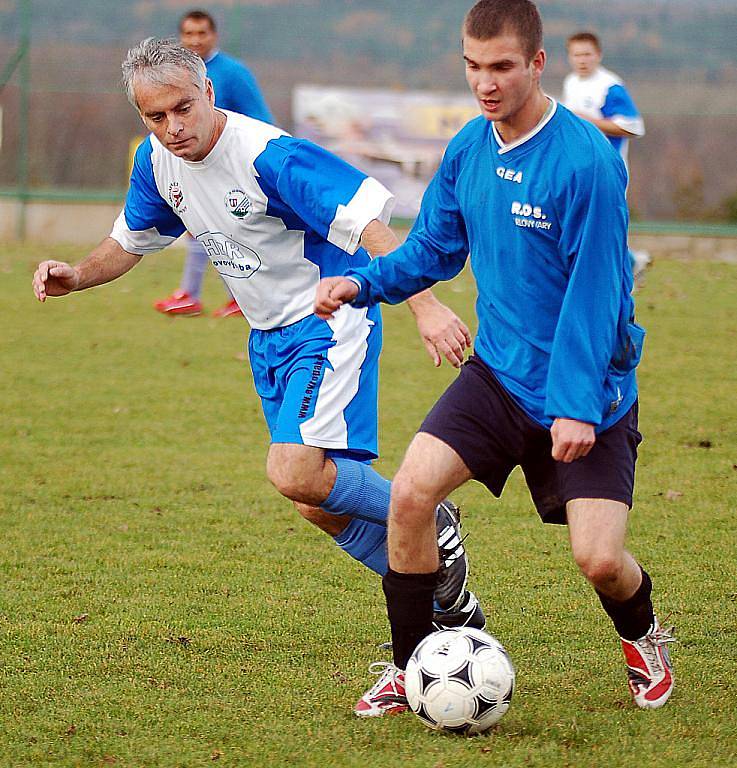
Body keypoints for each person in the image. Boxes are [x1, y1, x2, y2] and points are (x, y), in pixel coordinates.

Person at [31, 37, 486, 697]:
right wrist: (75, 274)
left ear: (210, 91)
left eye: (182, 108)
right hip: (268, 337)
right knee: (316, 501)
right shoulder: (157, 162)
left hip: (329, 319)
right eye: (154, 117)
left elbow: (371, 229)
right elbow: (127, 242)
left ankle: (426, 522)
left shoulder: (270, 156)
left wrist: (424, 307)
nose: (172, 128)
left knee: (294, 470)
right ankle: (445, 601)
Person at [316, 0, 674, 717]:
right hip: (497, 376)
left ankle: (642, 636)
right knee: (411, 498)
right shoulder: (468, 148)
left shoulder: (587, 163)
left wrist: (574, 403)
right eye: (473, 67)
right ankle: (411, 663)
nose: (485, 83)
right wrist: (364, 282)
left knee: (598, 560)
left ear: (536, 64)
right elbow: (434, 248)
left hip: (588, 395)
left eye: (502, 66)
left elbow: (598, 295)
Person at [154, 9, 274, 318]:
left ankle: (221, 295)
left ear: (214, 36)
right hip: (192, 163)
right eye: (189, 34)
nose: (195, 40)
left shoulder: (232, 73)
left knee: (223, 226)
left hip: (231, 166)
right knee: (202, 225)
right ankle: (213, 296)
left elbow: (260, 119)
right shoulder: (176, 74)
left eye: (201, 33)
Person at [562, 31, 650, 278]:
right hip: (579, 166)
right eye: (577, 54)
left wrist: (588, 121)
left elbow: (633, 126)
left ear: (598, 55)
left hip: (608, 168)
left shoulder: (610, 86)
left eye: (587, 54)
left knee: (603, 225)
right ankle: (628, 263)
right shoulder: (571, 82)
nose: (582, 60)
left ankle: (625, 268)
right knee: (579, 221)